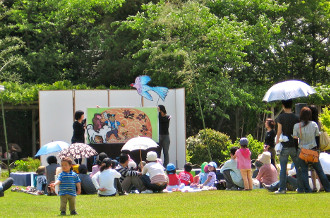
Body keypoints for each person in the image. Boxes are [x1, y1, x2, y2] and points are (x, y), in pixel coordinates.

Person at [293, 107, 330, 192]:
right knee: (319, 170)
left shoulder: (296, 126)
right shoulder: (314, 124)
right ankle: (327, 188)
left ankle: (307, 189)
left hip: (302, 151)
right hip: (312, 150)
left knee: (304, 171)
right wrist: (317, 149)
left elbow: (295, 139)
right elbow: (317, 137)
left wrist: (297, 149)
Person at [275, 99, 300, 194]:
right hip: (294, 145)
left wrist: (277, 142)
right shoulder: (296, 117)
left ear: (283, 105)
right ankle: (300, 187)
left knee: (283, 168)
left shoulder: (281, 117)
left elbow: (279, 131)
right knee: (298, 167)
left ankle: (282, 189)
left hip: (284, 145)